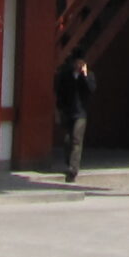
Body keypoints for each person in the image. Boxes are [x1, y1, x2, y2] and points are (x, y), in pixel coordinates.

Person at [53, 53, 94, 183]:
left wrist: (85, 76)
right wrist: (59, 110)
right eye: (77, 63)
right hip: (68, 111)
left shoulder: (88, 76)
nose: (79, 66)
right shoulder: (66, 76)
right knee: (67, 140)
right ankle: (69, 161)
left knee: (77, 139)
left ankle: (73, 169)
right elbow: (60, 93)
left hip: (81, 113)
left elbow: (91, 89)